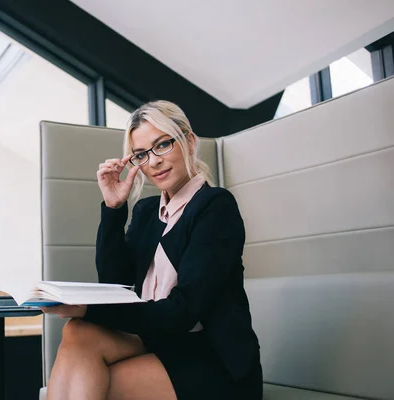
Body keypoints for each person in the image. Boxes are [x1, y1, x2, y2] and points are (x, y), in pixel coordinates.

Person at [41, 100, 262, 400]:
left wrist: (87, 308)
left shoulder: (215, 207)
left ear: (190, 142)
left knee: (93, 382)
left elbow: (181, 312)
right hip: (161, 342)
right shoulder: (147, 212)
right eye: (142, 154)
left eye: (162, 145)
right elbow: (113, 282)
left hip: (213, 361)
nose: (154, 161)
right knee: (77, 332)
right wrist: (113, 208)